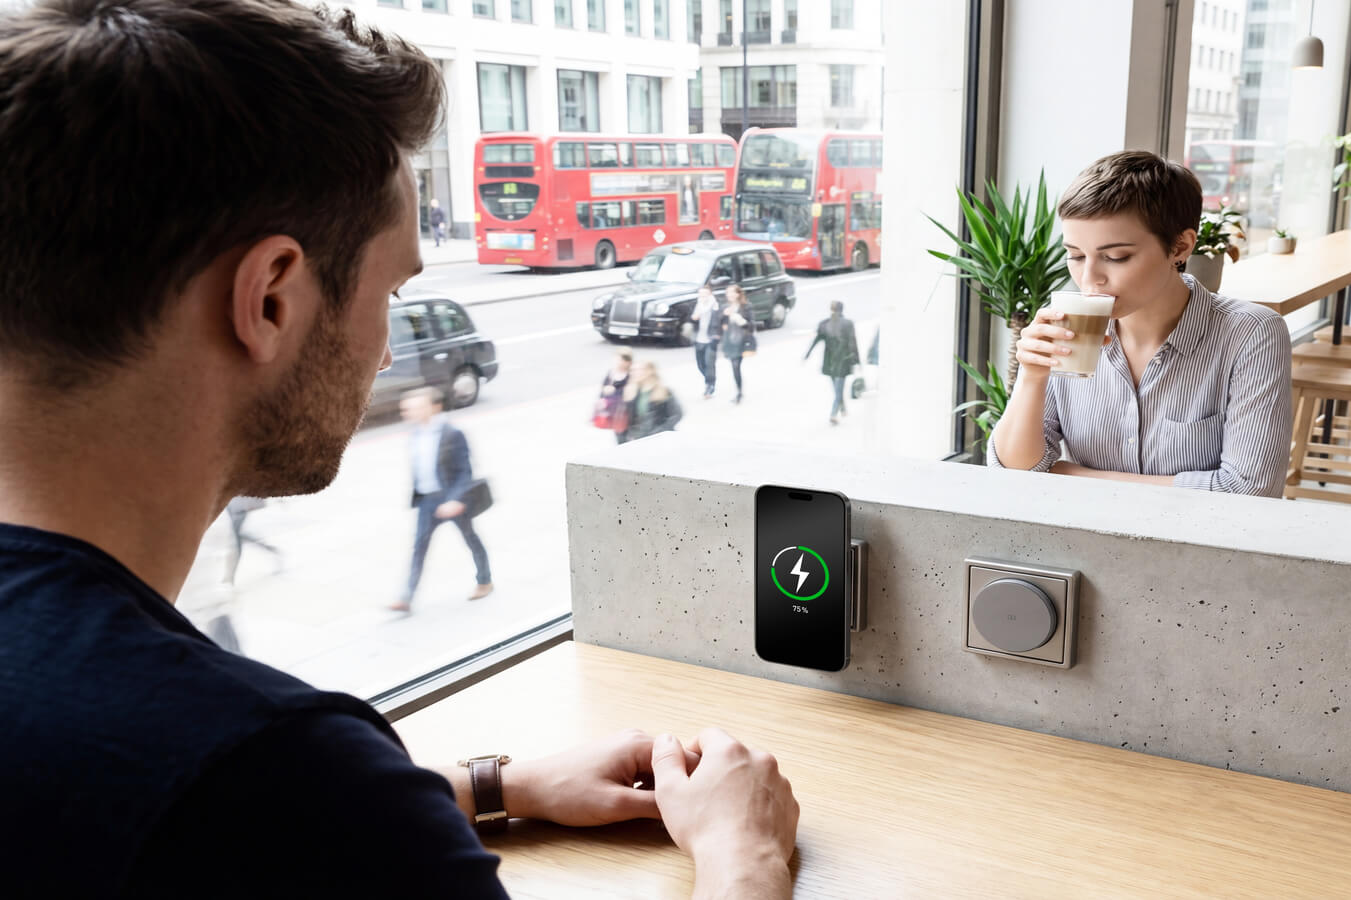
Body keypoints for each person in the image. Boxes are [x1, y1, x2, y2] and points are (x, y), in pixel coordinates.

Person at [0, 3, 799, 898]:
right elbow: (259, 804)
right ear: (269, 298)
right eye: (392, 287)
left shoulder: (245, 784)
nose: (386, 350)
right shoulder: (271, 768)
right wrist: (745, 852)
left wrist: (477, 791)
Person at [988, 150, 1293, 497]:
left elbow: (1249, 490)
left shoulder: (1251, 334)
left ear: (1180, 246)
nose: (1090, 278)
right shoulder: (1065, 327)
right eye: (1075, 255)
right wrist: (1032, 375)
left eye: (1116, 257)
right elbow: (1014, 471)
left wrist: (1063, 473)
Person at [389, 387, 493, 614]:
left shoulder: (452, 433)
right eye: (407, 408)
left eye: (416, 407)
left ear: (434, 407)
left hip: (451, 501)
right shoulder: (415, 433)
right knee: (419, 547)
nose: (408, 412)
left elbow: (465, 471)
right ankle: (406, 597)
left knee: (470, 539)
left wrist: (455, 500)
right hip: (427, 501)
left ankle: (485, 580)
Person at [805, 300, 861, 425]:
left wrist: (807, 354)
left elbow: (816, 340)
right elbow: (853, 342)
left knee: (837, 388)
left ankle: (843, 409)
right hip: (843, 360)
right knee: (839, 389)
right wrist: (857, 361)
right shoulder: (848, 324)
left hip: (829, 361)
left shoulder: (824, 324)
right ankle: (834, 414)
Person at [222, 495, 282, 586]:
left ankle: (229, 579)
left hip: (240, 508)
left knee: (236, 541)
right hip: (233, 506)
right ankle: (271, 549)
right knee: (239, 537)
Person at [620, 361, 684, 443]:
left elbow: (677, 414)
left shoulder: (663, 391)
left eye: (638, 370)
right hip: (638, 439)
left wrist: (661, 432)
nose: (633, 373)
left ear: (649, 371)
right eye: (632, 370)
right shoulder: (632, 392)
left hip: (660, 440)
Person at [721, 283, 757, 404]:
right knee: (734, 367)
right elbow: (720, 325)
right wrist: (724, 316)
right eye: (728, 292)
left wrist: (739, 319)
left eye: (732, 292)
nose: (729, 295)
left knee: (736, 366)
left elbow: (751, 327)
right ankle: (739, 392)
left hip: (741, 341)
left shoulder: (746, 307)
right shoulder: (725, 307)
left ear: (738, 294)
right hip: (730, 341)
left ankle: (739, 393)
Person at [690, 285, 724, 398]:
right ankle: (709, 380)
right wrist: (695, 317)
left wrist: (718, 335)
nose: (702, 296)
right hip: (699, 338)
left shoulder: (715, 305)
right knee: (700, 364)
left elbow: (720, 320)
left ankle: (710, 386)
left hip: (711, 338)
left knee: (710, 363)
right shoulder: (698, 305)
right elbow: (693, 319)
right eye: (701, 294)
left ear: (710, 295)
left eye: (705, 294)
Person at [598, 349, 633, 443]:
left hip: (628, 411)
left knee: (629, 436)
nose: (618, 363)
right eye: (616, 360)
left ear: (628, 362)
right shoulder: (612, 373)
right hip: (615, 411)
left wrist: (615, 391)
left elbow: (632, 392)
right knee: (619, 435)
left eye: (620, 360)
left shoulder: (632, 374)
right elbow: (603, 390)